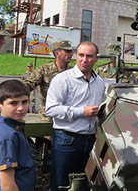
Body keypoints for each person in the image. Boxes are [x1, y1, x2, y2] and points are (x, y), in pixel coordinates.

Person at [46, 41, 105, 190]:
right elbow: (51, 110)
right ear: (76, 56)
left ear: (96, 59)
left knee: (83, 184)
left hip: (90, 141)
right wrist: (82, 112)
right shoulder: (62, 80)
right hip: (67, 141)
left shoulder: (99, 82)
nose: (84, 60)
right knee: (62, 184)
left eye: (90, 56)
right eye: (81, 55)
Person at [0, 80, 35, 191]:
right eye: (13, 103)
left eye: (25, 102)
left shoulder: (11, 127)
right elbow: (7, 185)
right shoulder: (7, 137)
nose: (21, 108)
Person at [22, 40, 74, 121]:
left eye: (71, 51)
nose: (71, 54)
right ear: (57, 53)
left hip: (67, 116)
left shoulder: (73, 72)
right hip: (48, 116)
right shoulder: (44, 70)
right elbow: (28, 84)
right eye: (67, 51)